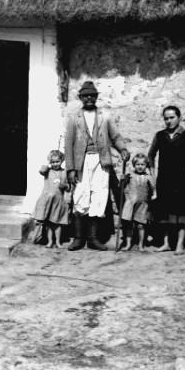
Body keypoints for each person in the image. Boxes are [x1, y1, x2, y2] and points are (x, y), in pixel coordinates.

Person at [65, 80, 130, 251]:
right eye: (85, 96)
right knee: (80, 195)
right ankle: (79, 238)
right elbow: (68, 144)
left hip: (101, 161)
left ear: (96, 97)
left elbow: (115, 136)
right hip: (81, 162)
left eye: (92, 95)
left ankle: (93, 239)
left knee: (99, 196)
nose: (89, 98)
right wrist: (70, 169)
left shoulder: (104, 116)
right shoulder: (74, 118)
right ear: (80, 97)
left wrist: (122, 149)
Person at [148, 105, 185, 255]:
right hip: (164, 179)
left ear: (179, 118)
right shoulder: (159, 136)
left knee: (181, 213)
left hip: (182, 180)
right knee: (164, 213)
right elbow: (150, 156)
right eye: (166, 118)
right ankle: (166, 243)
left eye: (172, 117)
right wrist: (153, 175)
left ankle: (179, 245)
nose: (169, 121)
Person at [33, 150, 70, 249]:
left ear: (61, 161)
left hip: (58, 202)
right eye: (52, 162)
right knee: (48, 224)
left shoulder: (64, 172)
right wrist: (47, 163)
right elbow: (42, 170)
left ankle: (58, 242)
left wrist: (65, 186)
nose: (55, 164)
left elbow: (69, 186)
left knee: (57, 223)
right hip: (48, 201)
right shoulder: (47, 171)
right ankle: (50, 241)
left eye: (57, 161)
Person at [120, 153, 155, 251]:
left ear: (146, 165)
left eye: (142, 164)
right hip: (131, 203)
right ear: (134, 165)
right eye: (138, 164)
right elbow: (122, 186)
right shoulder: (130, 175)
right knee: (129, 225)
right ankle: (128, 244)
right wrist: (122, 180)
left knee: (141, 225)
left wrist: (154, 195)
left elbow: (153, 188)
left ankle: (141, 244)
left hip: (143, 204)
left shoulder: (148, 177)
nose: (140, 166)